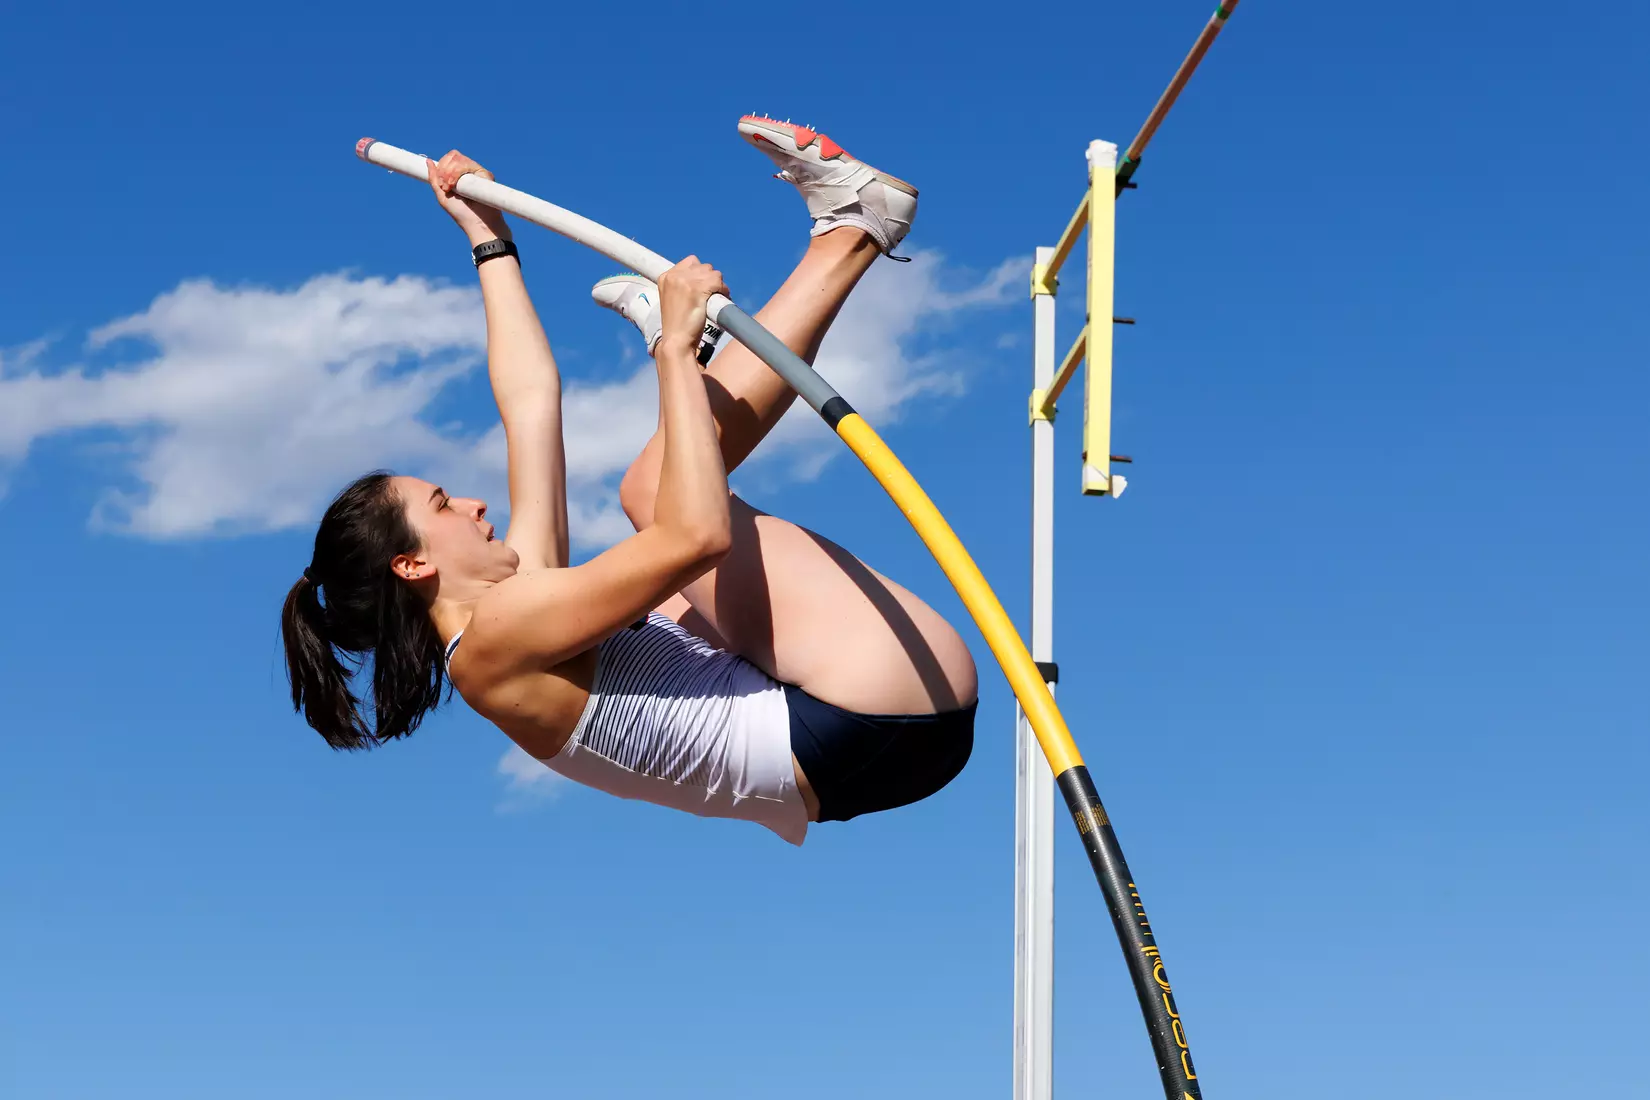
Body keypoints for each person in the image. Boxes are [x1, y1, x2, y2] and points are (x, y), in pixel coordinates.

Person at [281, 116, 978, 846]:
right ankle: (853, 231)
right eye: (443, 504)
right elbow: (700, 534)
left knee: (655, 528)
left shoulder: (517, 604)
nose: (473, 501)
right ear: (412, 563)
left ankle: (733, 333)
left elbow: (530, 405)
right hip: (875, 715)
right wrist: (675, 355)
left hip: (869, 736)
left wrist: (488, 239)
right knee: (654, 499)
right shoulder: (497, 640)